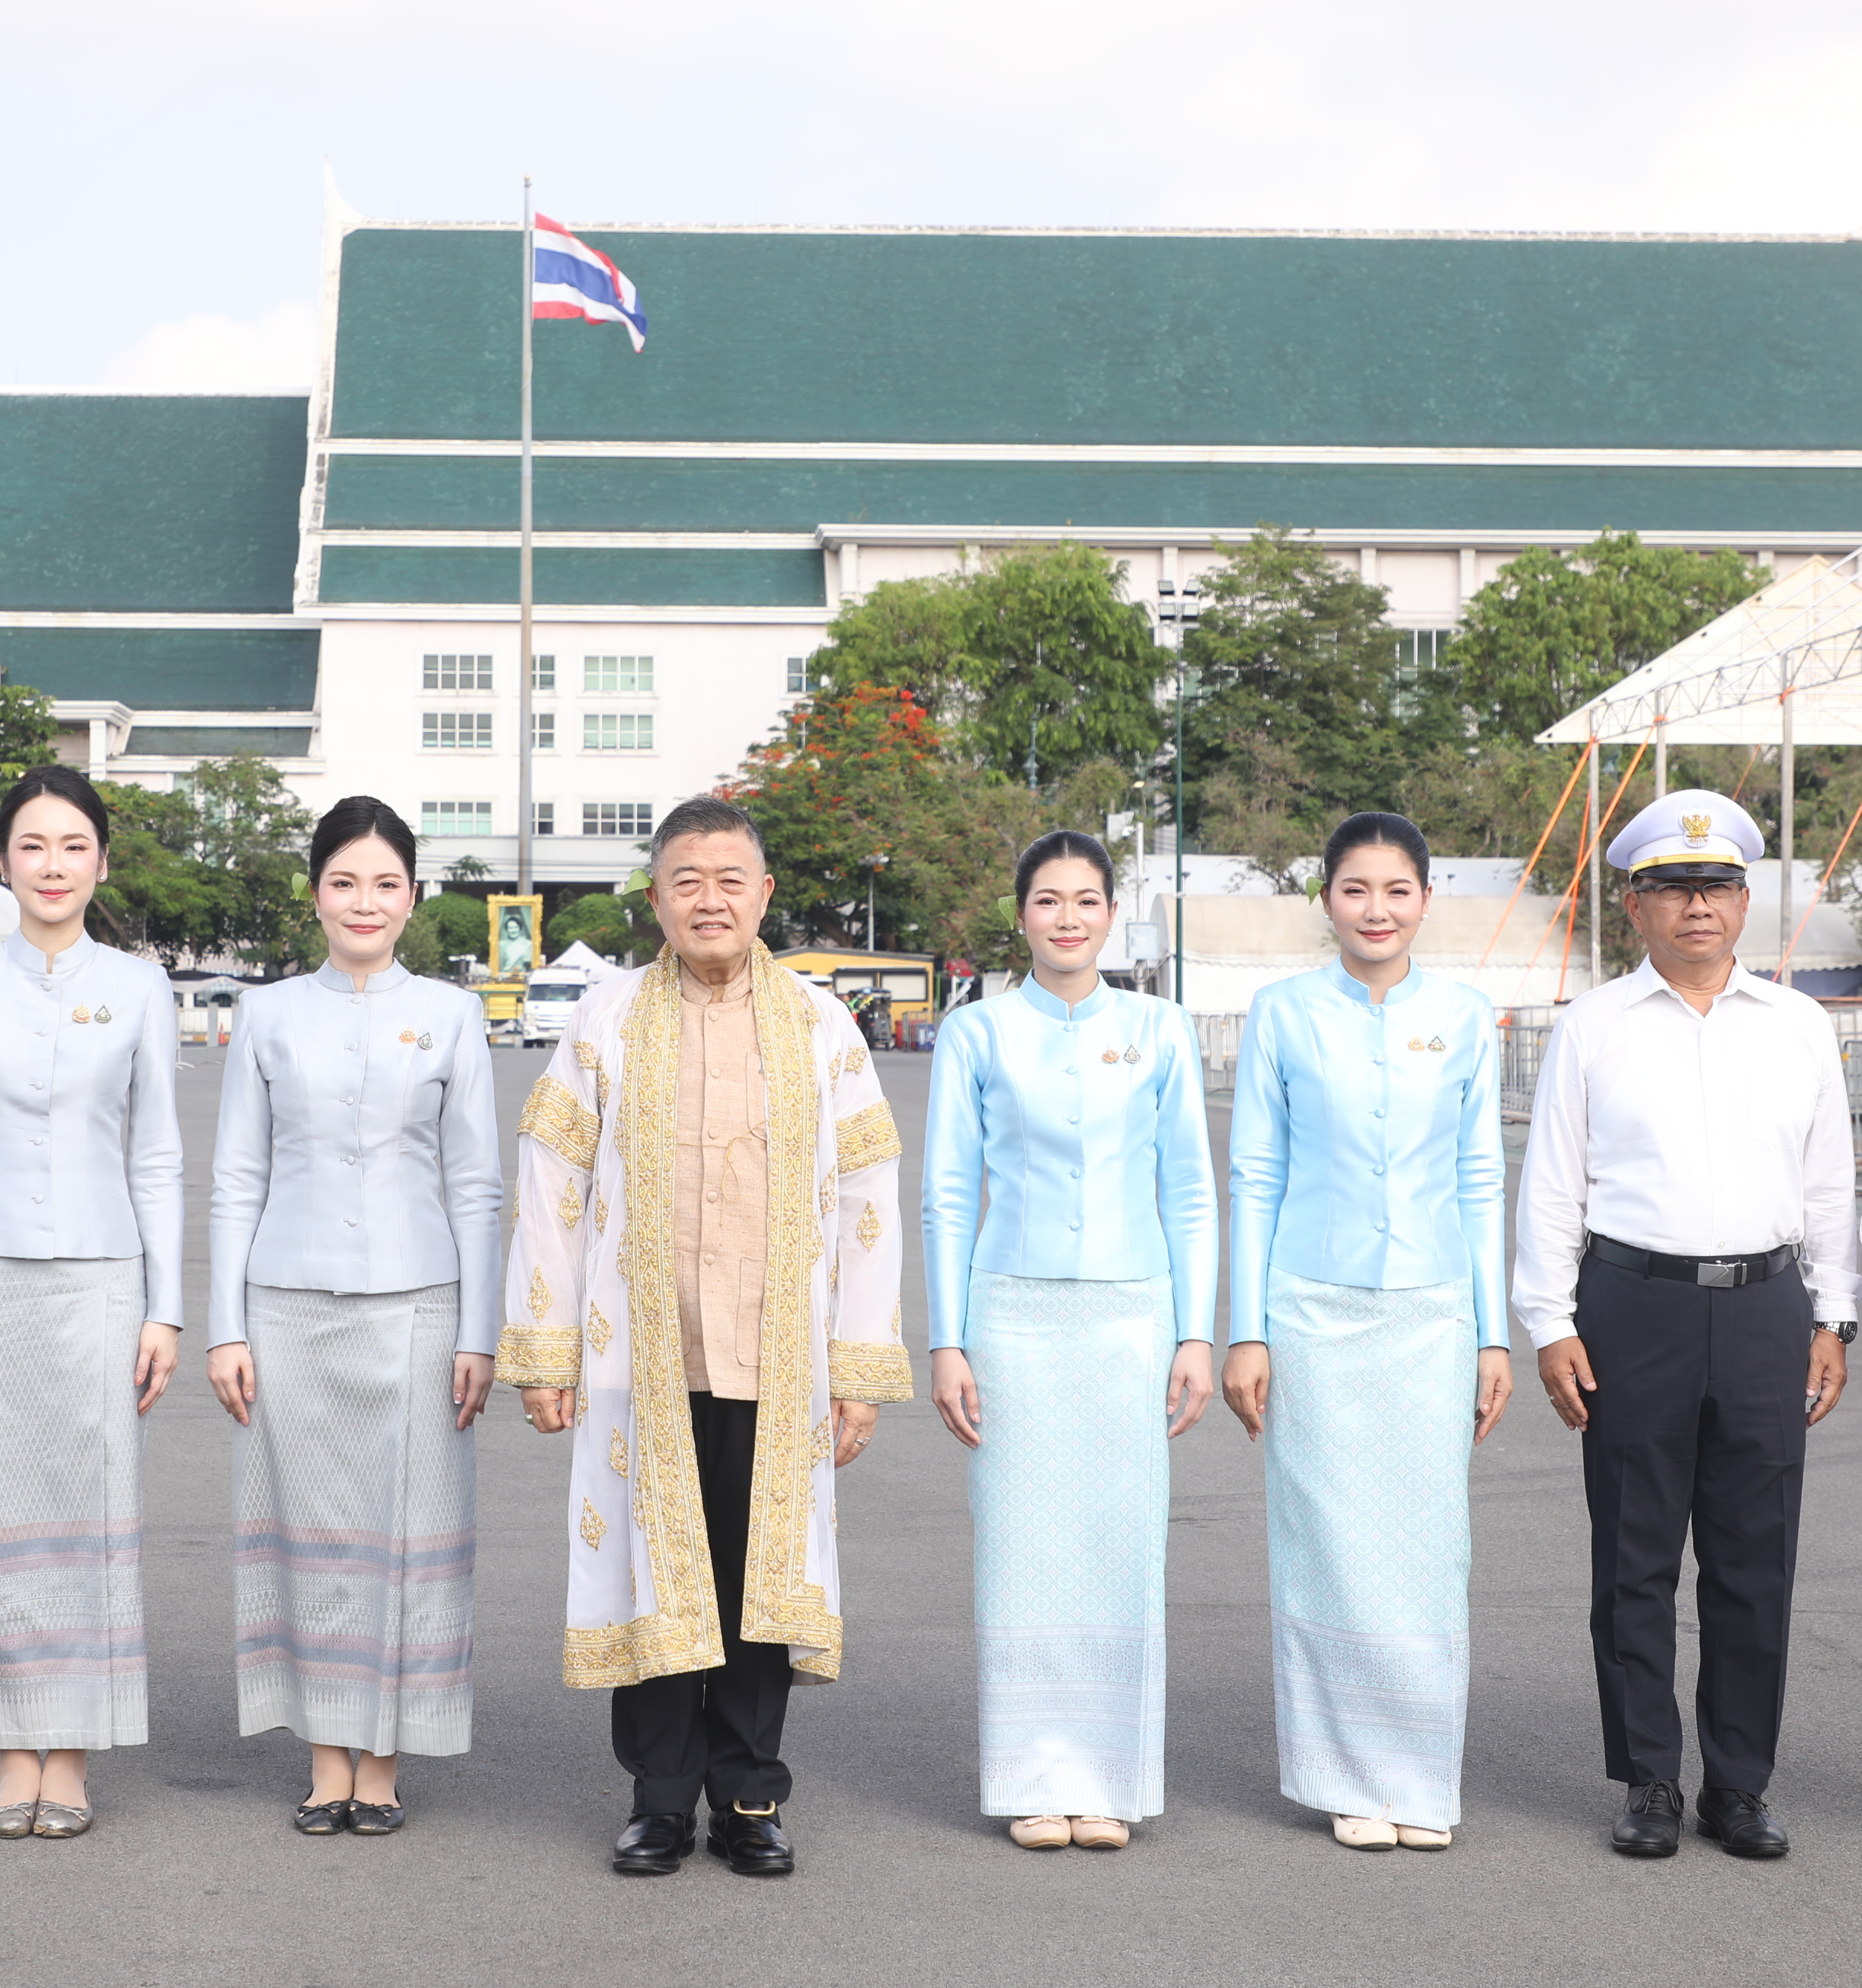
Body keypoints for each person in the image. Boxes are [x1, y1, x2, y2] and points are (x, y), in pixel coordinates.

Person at [496, 795, 913, 1879]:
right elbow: (552, 1184)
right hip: (641, 1355)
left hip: (780, 1358)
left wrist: (859, 1368)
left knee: (754, 1578)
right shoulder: (608, 1016)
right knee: (656, 1571)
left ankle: (750, 1799)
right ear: (657, 899)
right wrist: (541, 1351)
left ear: (765, 895)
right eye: (688, 880)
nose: (711, 898)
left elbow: (869, 1194)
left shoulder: (820, 1026)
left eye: (731, 879)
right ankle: (659, 1801)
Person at [1514, 789, 1858, 1862]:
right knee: (1636, 1560)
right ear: (1634, 904)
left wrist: (1834, 1314)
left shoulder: (1799, 1025)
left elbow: (1829, 1184)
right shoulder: (1593, 1027)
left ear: (1745, 898)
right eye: (1671, 887)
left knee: (1757, 1562)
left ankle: (1740, 1786)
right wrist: (1549, 1321)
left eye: (1713, 886)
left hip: (1765, 1307)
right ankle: (1650, 1779)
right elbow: (1553, 1184)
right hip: (1634, 1307)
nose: (1695, 905)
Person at [0, 765, 184, 1839]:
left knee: (92, 1515)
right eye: (32, 846)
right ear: (4, 861)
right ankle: (16, 1752)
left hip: (105, 1283)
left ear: (99, 862)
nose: (53, 866)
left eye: (73, 846)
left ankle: (75, 1752)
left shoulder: (140, 987)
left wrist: (167, 1308)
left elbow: (156, 1157)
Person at [205, 794, 501, 1835]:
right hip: (287, 1307)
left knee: (407, 1539)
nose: (364, 902)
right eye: (344, 882)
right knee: (312, 1539)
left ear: (412, 899)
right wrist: (223, 1326)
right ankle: (328, 1758)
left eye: (385, 884)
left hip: (421, 1310)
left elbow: (476, 1185)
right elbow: (237, 1174)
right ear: (316, 894)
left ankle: (383, 1762)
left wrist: (480, 1331)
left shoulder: (453, 1016)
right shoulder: (271, 1012)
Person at [1222, 813, 1507, 1852]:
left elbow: (1481, 1178)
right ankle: (1346, 1776)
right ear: (1327, 901)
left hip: (1433, 1312)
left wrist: (1492, 1336)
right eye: (1355, 889)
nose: (1376, 909)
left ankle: (1419, 1779)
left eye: (1396, 889)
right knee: (1328, 1542)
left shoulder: (1467, 1016)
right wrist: (1245, 1331)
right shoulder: (1283, 1014)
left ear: (1426, 899)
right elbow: (1255, 1174)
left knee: (1428, 1548)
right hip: (1313, 1309)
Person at [924, 830, 1214, 1852]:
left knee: (1118, 1541)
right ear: (1022, 916)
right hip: (1013, 1313)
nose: (1067, 919)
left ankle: (1110, 1780)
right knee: (1023, 1545)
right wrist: (946, 1340)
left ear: (1110, 914)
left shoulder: (1160, 1028)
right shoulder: (980, 1034)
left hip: (1132, 1315)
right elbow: (950, 1194)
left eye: (1086, 901)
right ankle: (1034, 1778)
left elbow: (1188, 1189)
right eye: (1047, 901)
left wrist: (1195, 1331)